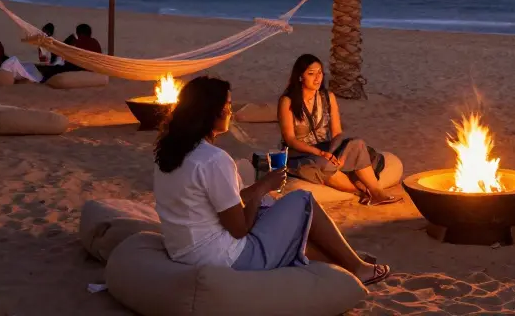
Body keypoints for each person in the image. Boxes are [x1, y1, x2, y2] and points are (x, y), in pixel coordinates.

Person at [153, 75, 390, 285]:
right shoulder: (214, 160)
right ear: (211, 112)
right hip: (229, 259)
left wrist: (259, 189)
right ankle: (358, 267)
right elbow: (239, 230)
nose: (231, 110)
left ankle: (346, 261)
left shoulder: (170, 154)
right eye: (227, 104)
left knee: (270, 209)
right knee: (302, 201)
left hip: (186, 252)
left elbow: (221, 204)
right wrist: (263, 188)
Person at [277, 54, 402, 206]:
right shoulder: (287, 101)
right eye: (311, 73)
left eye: (320, 73)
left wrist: (337, 154)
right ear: (300, 77)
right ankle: (364, 191)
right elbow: (290, 139)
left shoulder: (328, 97)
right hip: (301, 153)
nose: (317, 78)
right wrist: (321, 153)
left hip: (327, 148)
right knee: (323, 164)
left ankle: (376, 193)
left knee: (357, 144)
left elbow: (337, 133)